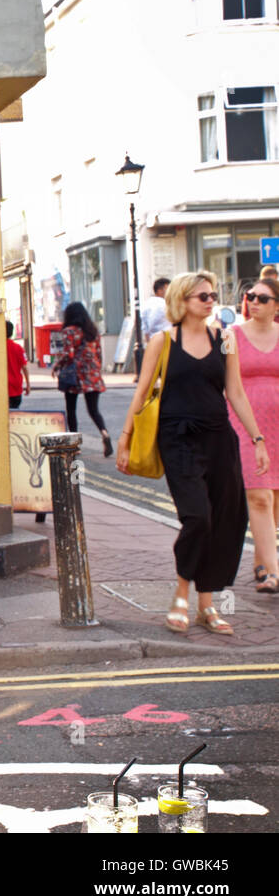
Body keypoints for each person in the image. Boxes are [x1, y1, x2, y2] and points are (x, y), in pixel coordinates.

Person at [116, 270, 269, 635]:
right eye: (203, 296)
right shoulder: (162, 342)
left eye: (213, 295)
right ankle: (181, 595)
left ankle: (207, 605)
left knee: (226, 520)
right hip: (178, 438)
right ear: (181, 301)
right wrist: (124, 438)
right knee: (197, 517)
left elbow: (235, 392)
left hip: (219, 439)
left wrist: (257, 439)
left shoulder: (226, 339)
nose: (210, 300)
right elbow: (141, 393)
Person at [230, 276, 279, 594]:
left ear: (276, 305)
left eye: (262, 298)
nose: (255, 302)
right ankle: (274, 573)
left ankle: (262, 563)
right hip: (245, 425)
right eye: (251, 296)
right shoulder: (230, 335)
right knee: (258, 495)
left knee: (275, 500)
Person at [52, 301, 113, 456]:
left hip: (75, 374)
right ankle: (104, 432)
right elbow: (98, 354)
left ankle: (75, 446)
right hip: (92, 374)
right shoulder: (92, 331)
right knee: (93, 410)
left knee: (71, 409)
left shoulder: (69, 331)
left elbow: (69, 354)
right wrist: (95, 369)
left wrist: (57, 365)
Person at [5, 319, 30, 408]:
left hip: (3, 387)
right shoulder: (18, 348)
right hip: (16, 387)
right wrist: (28, 385)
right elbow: (24, 367)